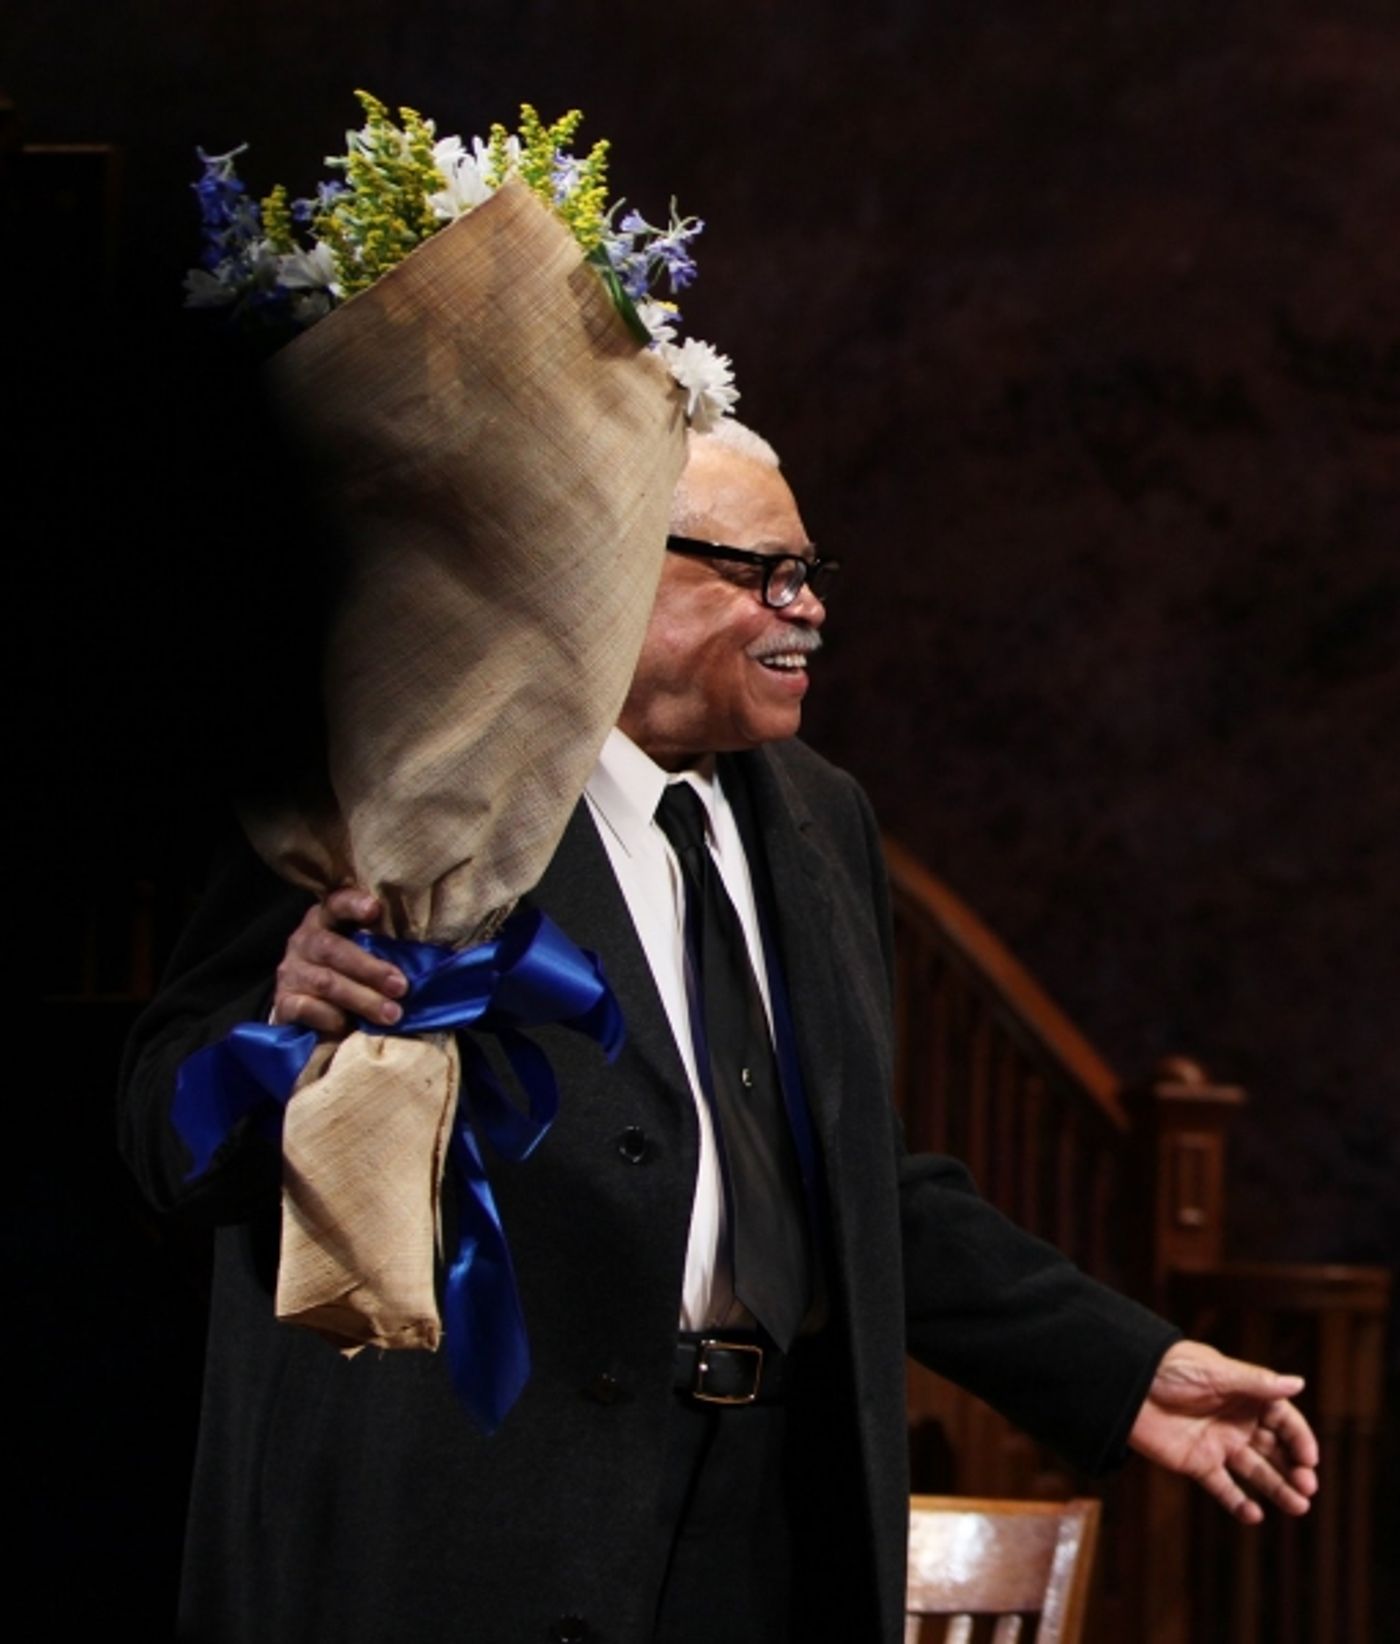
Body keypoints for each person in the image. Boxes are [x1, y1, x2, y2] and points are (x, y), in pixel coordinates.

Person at [120, 420, 1318, 1644]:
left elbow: (859, 1190)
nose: (803, 614)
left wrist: (1124, 1371)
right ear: (599, 569)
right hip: (463, 1530)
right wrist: (280, 1034)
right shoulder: (392, 780)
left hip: (758, 1532)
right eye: (761, 575)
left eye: (808, 574)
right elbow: (160, 1134)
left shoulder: (820, 817)